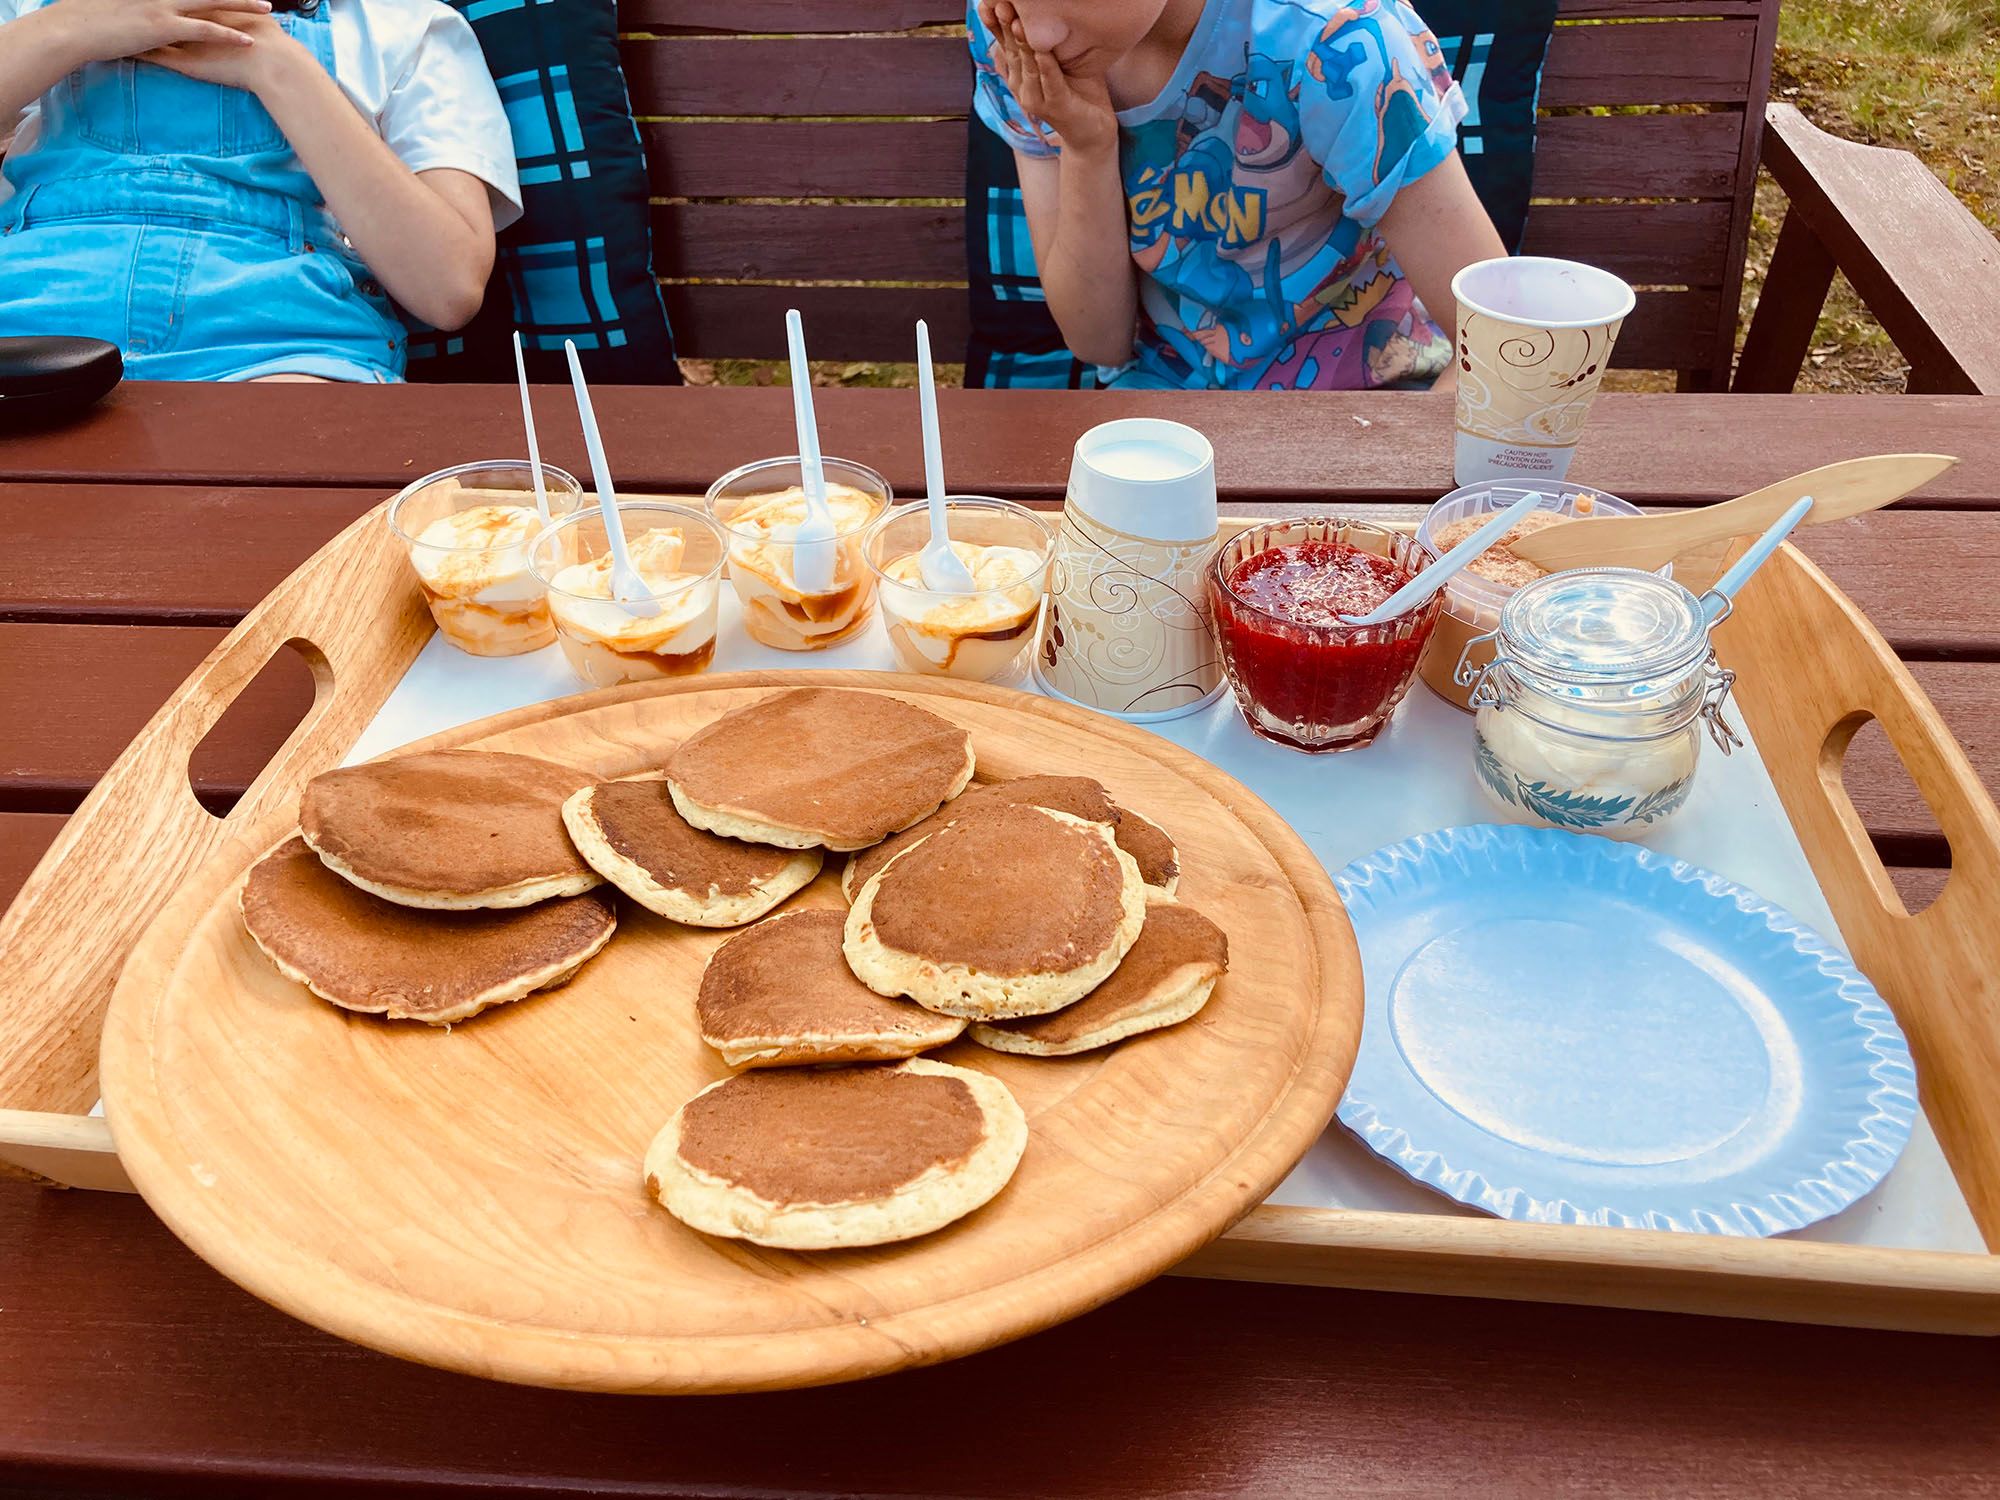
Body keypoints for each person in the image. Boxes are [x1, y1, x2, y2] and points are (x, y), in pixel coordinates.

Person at [971, 0, 1506, 392]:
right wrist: (1085, 147)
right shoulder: (1005, 29)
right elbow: (1097, 341)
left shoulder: (1341, 42)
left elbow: (1498, 346)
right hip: (1163, 413)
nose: (1035, 34)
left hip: (1366, 395)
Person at [0, 0, 521, 382]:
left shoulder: (408, 27)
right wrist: (68, 28)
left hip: (282, 349)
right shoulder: (26, 12)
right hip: (30, 333)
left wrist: (276, 65)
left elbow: (447, 288)